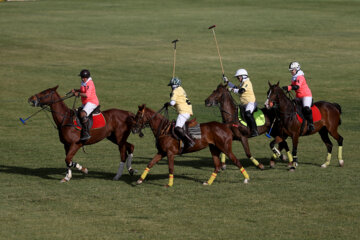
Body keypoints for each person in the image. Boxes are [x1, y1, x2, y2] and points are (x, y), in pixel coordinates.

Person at [223, 68, 259, 137]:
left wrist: (231, 89)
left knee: (248, 114)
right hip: (244, 104)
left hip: (251, 103)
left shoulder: (247, 83)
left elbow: (240, 91)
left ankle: (255, 130)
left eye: (238, 77)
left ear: (243, 76)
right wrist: (227, 82)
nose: (238, 79)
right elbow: (236, 87)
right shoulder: (242, 83)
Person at [282, 62, 314, 132]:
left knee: (306, 109)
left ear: (296, 69)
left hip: (306, 96)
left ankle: (311, 124)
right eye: (290, 70)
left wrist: (289, 87)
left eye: (292, 70)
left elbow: (296, 87)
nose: (291, 72)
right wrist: (288, 88)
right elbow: (292, 85)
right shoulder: (294, 77)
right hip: (298, 96)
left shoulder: (300, 77)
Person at [164, 77, 195, 149]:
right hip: (187, 111)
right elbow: (177, 102)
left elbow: (172, 103)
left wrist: (167, 103)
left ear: (174, 85)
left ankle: (190, 141)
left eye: (171, 85)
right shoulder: (181, 89)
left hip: (183, 111)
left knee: (177, 127)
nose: (171, 87)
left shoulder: (175, 91)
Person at [71, 69, 99, 141]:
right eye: (81, 77)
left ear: (86, 77)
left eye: (83, 77)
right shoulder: (84, 82)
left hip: (92, 102)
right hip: (86, 103)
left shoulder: (90, 83)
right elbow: (83, 90)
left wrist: (78, 94)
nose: (82, 79)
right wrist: (77, 90)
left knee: (83, 114)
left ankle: (86, 133)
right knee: (76, 112)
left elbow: (87, 94)